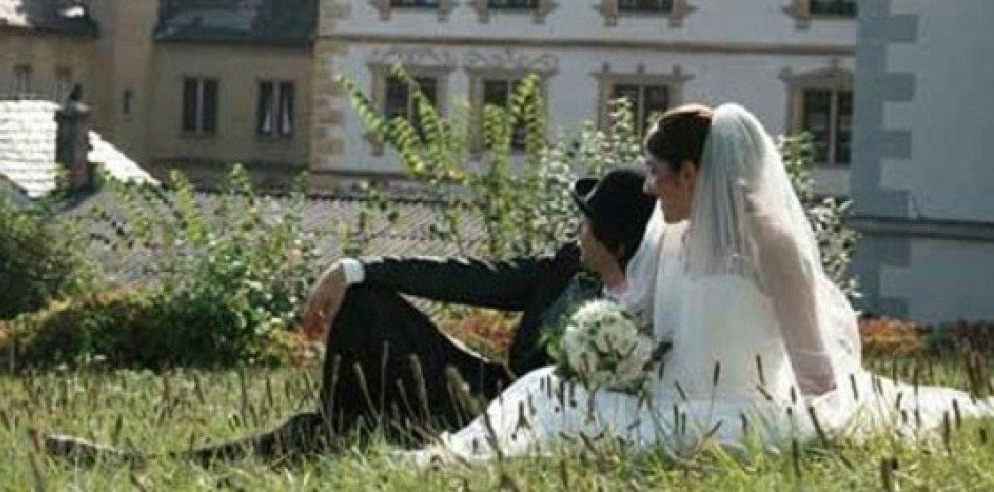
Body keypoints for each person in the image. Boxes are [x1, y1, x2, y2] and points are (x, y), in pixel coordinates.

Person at [409, 103, 994, 464]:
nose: (647, 189)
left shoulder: (772, 242)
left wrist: (827, 418)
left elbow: (814, 369)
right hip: (667, 401)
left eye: (657, 174)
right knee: (540, 391)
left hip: (739, 414)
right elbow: (641, 317)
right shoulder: (672, 236)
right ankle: (447, 461)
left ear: (692, 173)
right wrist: (606, 349)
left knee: (552, 411)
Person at [44, 165, 656, 463]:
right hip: (475, 390)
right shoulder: (561, 269)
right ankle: (339, 425)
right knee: (367, 303)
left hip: (518, 421)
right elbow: (464, 276)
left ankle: (140, 464)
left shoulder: (648, 303)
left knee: (302, 439)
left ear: (613, 238)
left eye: (585, 222)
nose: (575, 231)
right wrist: (356, 267)